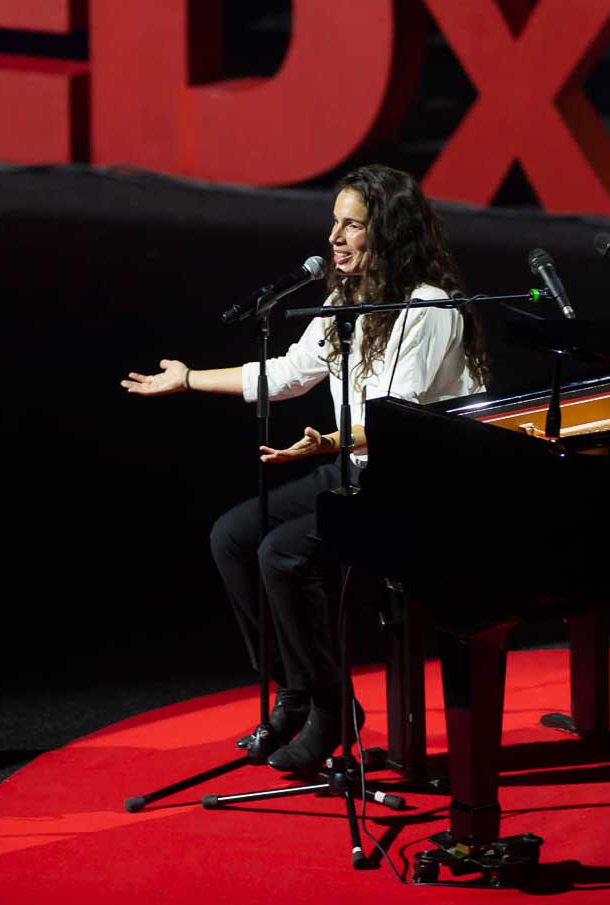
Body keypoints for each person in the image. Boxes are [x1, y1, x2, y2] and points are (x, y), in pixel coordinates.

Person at [121, 165, 488, 772]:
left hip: (419, 477)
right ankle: (296, 691)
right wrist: (189, 379)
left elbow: (400, 419)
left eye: (352, 225)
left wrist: (325, 445)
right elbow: (289, 373)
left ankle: (330, 708)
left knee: (282, 553)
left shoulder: (427, 306)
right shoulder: (346, 298)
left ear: (390, 233)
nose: (335, 238)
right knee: (233, 537)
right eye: (334, 223)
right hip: (354, 462)